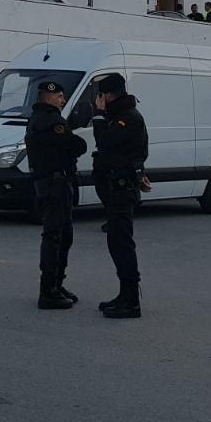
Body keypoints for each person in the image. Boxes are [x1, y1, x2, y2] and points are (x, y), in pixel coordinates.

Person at [25, 80, 87, 310]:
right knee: (56, 236)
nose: (63, 100)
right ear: (49, 98)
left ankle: (56, 285)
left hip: (47, 182)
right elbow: (76, 145)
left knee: (61, 235)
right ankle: (49, 290)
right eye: (60, 96)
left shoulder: (35, 119)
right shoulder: (52, 120)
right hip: (56, 183)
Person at [91, 73, 149, 319]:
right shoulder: (121, 116)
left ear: (107, 96)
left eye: (100, 96)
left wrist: (98, 116)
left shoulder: (127, 118)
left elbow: (105, 142)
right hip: (117, 187)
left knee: (122, 244)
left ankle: (131, 300)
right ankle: (125, 295)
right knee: (116, 243)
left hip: (121, 189)